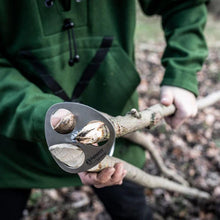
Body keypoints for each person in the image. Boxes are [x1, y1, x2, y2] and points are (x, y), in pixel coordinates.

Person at [0, 0, 209, 219]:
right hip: (14, 143)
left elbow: (185, 4)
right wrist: (45, 116)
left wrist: (182, 73)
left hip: (114, 140)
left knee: (132, 211)